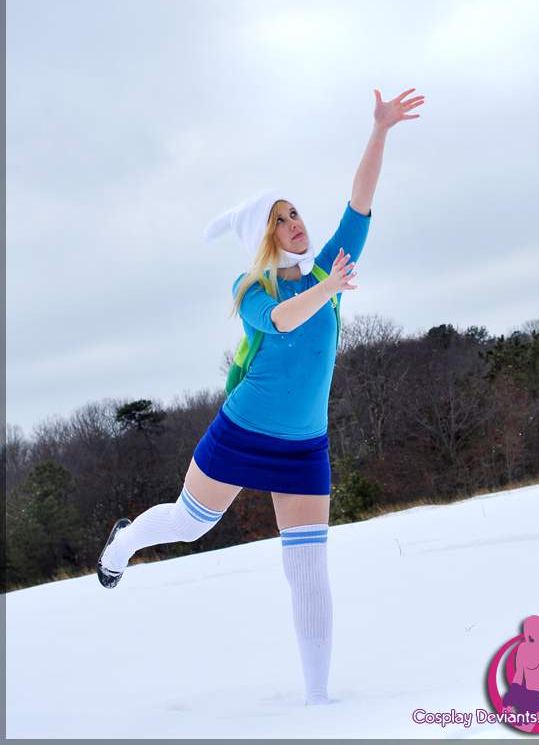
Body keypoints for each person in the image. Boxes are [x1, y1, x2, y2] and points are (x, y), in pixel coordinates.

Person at [97, 87, 425, 706]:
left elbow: (360, 203)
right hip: (241, 433)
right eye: (280, 219)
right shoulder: (251, 289)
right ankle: (122, 544)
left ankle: (318, 702)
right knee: (189, 524)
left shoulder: (328, 267)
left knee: (308, 572)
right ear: (263, 237)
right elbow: (281, 321)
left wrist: (380, 130)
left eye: (295, 212)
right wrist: (328, 287)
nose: (296, 222)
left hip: (304, 448)